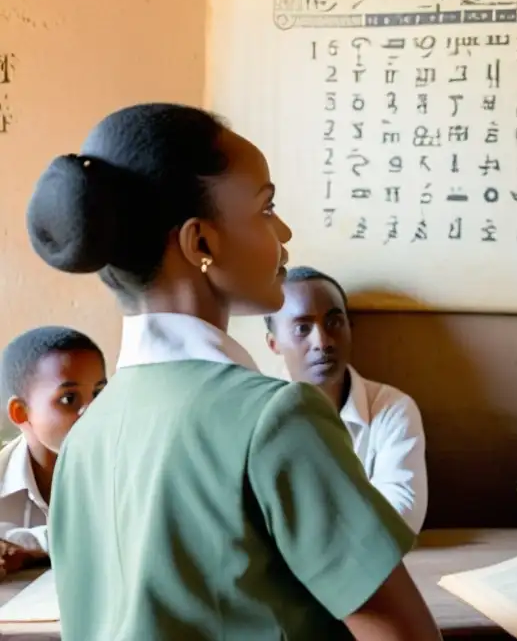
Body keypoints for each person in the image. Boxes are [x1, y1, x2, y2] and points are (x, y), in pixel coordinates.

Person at [26, 103, 440, 640]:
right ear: (201, 243)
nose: (284, 230)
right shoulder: (274, 418)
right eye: (267, 209)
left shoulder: (84, 441)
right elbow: (402, 634)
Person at [266, 266, 427, 533]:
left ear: (350, 329)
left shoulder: (392, 409)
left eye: (333, 323)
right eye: (302, 328)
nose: (322, 341)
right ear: (274, 344)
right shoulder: (259, 413)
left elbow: (402, 519)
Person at [0, 326, 106, 572]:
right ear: (21, 412)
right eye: (69, 399)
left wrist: (31, 546)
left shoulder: (127, 468)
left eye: (99, 394)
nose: (93, 411)